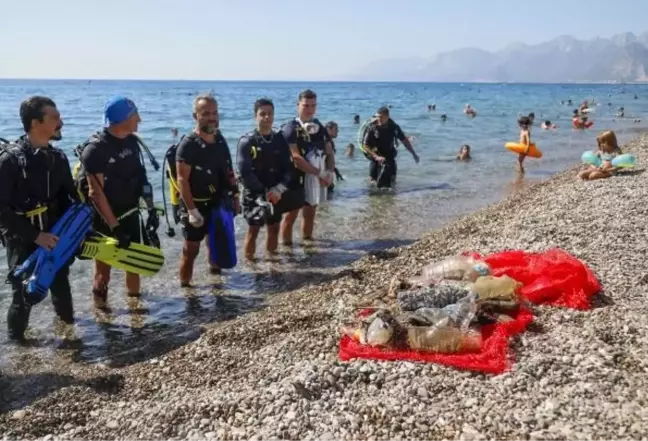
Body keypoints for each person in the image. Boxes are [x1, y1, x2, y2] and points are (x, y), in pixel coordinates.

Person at [0, 96, 77, 341]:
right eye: (54, 118)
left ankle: (69, 337)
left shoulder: (58, 158)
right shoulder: (10, 161)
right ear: (35, 123)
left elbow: (70, 199)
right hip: (22, 237)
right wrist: (35, 236)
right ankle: (18, 346)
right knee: (22, 295)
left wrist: (77, 232)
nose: (60, 122)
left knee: (61, 287)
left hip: (55, 234)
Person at [78, 96, 159, 309]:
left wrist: (150, 210)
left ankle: (135, 307)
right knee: (103, 270)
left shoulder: (133, 142)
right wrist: (114, 227)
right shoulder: (95, 149)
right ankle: (101, 312)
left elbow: (141, 178)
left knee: (133, 263)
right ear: (122, 119)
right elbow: (96, 194)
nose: (139, 120)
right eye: (135, 116)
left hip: (131, 212)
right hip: (105, 219)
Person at [175, 94, 239, 286]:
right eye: (206, 113)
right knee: (191, 250)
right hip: (194, 204)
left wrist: (235, 196)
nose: (212, 117)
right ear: (196, 116)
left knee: (216, 244)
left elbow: (229, 171)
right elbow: (182, 180)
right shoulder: (188, 145)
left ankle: (216, 284)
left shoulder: (220, 139)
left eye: (214, 113)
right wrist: (192, 211)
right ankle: (186, 289)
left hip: (217, 202)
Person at [237, 98, 293, 260]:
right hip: (254, 193)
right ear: (256, 116)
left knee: (274, 227)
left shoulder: (279, 139)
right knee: (253, 230)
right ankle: (250, 264)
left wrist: (280, 188)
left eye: (270, 114)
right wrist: (263, 192)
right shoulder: (247, 141)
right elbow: (245, 172)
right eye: (263, 114)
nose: (267, 117)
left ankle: (272, 260)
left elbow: (289, 168)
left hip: (276, 191)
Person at [280, 89, 334, 244]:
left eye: (313, 106)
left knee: (310, 213)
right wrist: (320, 174)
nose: (310, 110)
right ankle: (287, 249)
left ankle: (308, 244)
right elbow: (296, 158)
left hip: (315, 176)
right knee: (291, 216)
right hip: (294, 178)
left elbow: (330, 153)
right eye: (306, 106)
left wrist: (329, 172)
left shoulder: (319, 127)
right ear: (298, 105)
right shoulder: (290, 128)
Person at [361, 106, 419, 188]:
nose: (379, 119)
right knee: (372, 183)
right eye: (377, 117)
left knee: (392, 183)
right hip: (375, 157)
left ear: (387, 117)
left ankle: (391, 199)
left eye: (381, 117)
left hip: (389, 156)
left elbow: (405, 141)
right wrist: (376, 156)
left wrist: (414, 154)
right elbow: (365, 146)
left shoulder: (394, 127)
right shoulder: (371, 127)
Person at [325, 121, 344, 191]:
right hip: (324, 174)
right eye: (336, 129)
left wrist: (336, 172)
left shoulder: (330, 141)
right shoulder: (326, 142)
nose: (338, 131)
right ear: (329, 129)